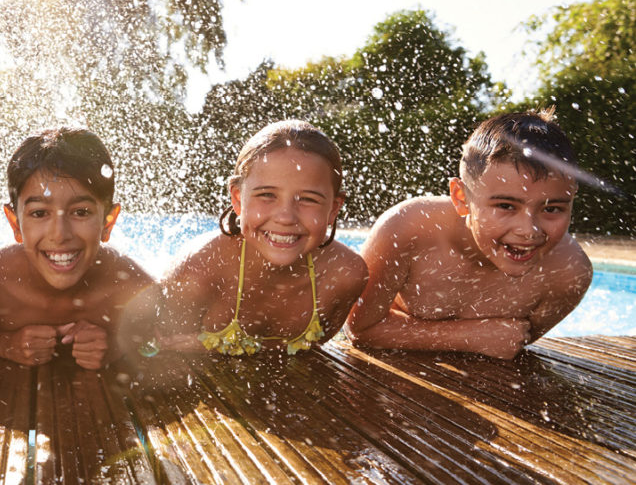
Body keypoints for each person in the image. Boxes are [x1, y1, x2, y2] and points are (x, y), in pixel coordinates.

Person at [346, 110, 593, 359]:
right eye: (506, 206)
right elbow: (359, 329)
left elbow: (510, 343)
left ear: (572, 196)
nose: (529, 231)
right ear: (461, 198)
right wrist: (469, 337)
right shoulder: (409, 228)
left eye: (552, 209)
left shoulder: (568, 274)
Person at [156, 120, 367, 356]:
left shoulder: (346, 274)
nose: (286, 217)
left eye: (308, 199)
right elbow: (156, 352)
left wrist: (230, 348)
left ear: (333, 209)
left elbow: (312, 351)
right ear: (237, 199)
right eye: (267, 195)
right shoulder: (201, 269)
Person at [0, 127, 154, 370]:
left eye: (80, 212)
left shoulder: (132, 289)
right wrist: (3, 343)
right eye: (39, 213)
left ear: (108, 221)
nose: (60, 234)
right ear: (15, 223)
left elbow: (162, 341)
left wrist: (119, 345)